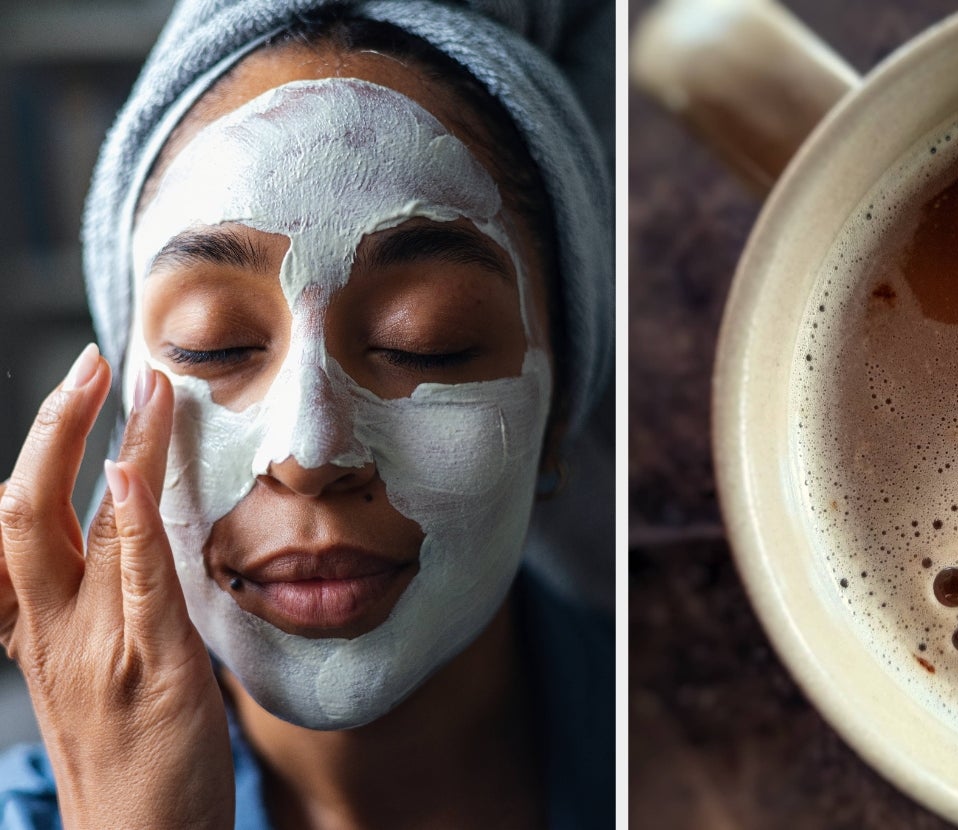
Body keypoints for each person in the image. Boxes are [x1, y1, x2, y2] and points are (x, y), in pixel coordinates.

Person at [0, 0, 614, 827]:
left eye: (424, 343)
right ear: (120, 406)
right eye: (211, 346)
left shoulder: (724, 753)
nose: (310, 449)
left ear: (560, 405)